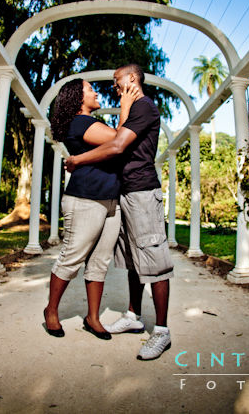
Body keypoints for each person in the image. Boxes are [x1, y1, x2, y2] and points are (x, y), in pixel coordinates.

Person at [64, 63, 173, 361]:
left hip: (141, 191)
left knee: (154, 259)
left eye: (116, 81)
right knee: (134, 261)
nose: (113, 86)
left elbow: (117, 147)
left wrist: (77, 161)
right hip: (125, 191)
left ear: (132, 79)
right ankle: (133, 316)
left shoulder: (145, 107)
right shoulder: (131, 107)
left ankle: (162, 331)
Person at [44, 78, 138, 340]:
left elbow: (115, 147)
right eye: (89, 89)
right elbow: (121, 140)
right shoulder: (80, 122)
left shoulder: (90, 123)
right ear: (76, 97)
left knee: (99, 262)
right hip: (85, 199)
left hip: (110, 199)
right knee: (72, 257)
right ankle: (51, 311)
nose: (95, 92)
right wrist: (125, 105)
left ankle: (92, 318)